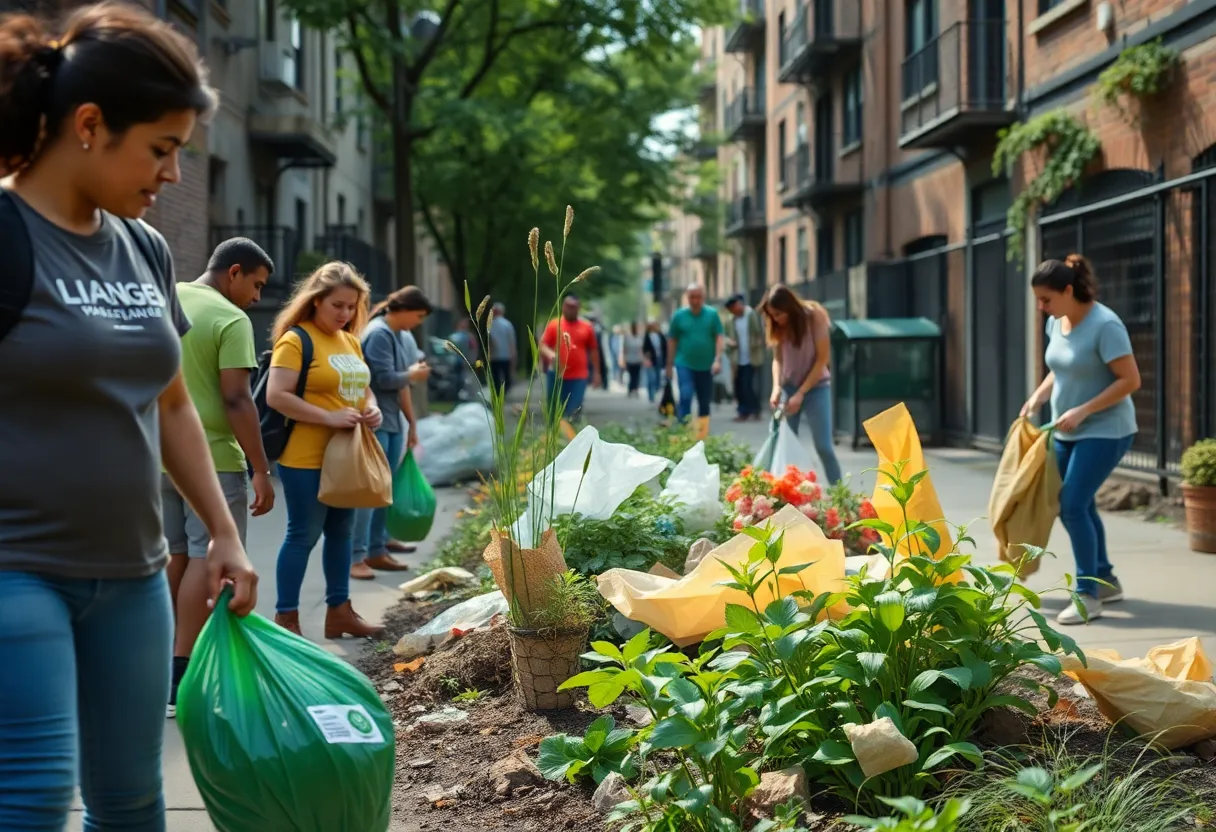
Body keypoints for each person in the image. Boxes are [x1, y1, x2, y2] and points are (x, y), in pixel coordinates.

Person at [0, 4, 257, 828]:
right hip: (15, 570)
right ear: (88, 125)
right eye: (161, 149)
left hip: (135, 576)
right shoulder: (6, 234)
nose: (174, 176)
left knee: (133, 799)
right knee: (35, 794)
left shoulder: (143, 249)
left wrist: (221, 532)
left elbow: (172, 398)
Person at [164, 237, 275, 718]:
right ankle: (185, 677)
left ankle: (159, 667)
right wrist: (261, 469)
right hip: (211, 460)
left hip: (154, 453)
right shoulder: (231, 320)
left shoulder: (166, 297)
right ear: (234, 272)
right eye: (256, 284)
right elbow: (237, 400)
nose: (256, 297)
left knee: (172, 556)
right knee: (207, 560)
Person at [265, 262, 385, 640]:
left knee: (342, 534)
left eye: (351, 307)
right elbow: (276, 396)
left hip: (347, 455)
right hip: (305, 457)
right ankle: (287, 620)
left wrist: (372, 406)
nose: (346, 314)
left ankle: (340, 613)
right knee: (303, 534)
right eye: (338, 305)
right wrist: (328, 417)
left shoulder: (349, 340)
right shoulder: (296, 339)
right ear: (315, 301)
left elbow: (362, 384)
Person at [1021, 254, 1140, 625]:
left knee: (1072, 504)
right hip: (1065, 429)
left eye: (1046, 299)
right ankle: (1105, 578)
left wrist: (1084, 410)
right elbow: (1061, 369)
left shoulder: (1106, 325)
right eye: (1038, 300)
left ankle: (1088, 595)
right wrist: (1039, 396)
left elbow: (1130, 380)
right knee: (1079, 504)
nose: (1041, 307)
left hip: (1106, 429)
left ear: (1068, 290)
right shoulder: (1058, 322)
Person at [351, 286, 432, 580]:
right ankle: (357, 555)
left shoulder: (396, 335)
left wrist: (411, 423)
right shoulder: (379, 334)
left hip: (392, 421)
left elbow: (400, 387)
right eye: (418, 315)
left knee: (383, 491)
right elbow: (383, 379)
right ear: (404, 309)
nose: (418, 322)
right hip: (377, 422)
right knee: (371, 492)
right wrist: (412, 374)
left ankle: (377, 547)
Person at [759, 284, 843, 485]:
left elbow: (822, 359)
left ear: (790, 307)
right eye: (772, 316)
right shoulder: (777, 324)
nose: (776, 319)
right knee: (781, 442)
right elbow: (778, 359)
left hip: (816, 387)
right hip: (788, 387)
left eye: (779, 314)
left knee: (824, 446)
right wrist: (776, 387)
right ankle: (782, 494)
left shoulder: (815, 316)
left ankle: (841, 494)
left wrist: (802, 393)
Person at [666, 283, 724, 422]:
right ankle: (684, 431)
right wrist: (669, 364)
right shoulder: (679, 315)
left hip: (706, 365)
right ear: (687, 297)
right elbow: (672, 340)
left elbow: (719, 337)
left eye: (698, 297)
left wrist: (717, 359)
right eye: (692, 297)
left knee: (704, 401)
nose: (695, 301)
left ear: (703, 297)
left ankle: (702, 435)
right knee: (685, 395)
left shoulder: (712, 314)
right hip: (684, 363)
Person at [540, 294, 601, 420]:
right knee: (554, 411)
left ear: (579, 308)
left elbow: (594, 350)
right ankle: (554, 437)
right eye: (568, 306)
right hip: (556, 375)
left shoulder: (587, 327)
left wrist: (597, 373)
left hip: (579, 376)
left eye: (573, 307)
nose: (570, 309)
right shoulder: (553, 325)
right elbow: (542, 345)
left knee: (573, 411)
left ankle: (572, 436)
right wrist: (551, 354)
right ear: (562, 307)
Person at [724, 293, 765, 422]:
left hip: (752, 357)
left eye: (733, 308)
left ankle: (753, 410)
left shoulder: (752, 315)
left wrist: (758, 342)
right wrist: (729, 343)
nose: (733, 311)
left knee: (748, 385)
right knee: (739, 386)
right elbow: (725, 337)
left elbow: (761, 332)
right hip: (737, 359)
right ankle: (743, 411)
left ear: (738, 305)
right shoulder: (730, 321)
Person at [488, 302, 516, 395]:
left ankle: (497, 395)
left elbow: (490, 341)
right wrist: (513, 356)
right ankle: (505, 393)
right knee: (506, 377)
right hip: (506, 356)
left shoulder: (491, 324)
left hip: (494, 356)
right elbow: (511, 341)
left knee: (495, 377)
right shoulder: (508, 324)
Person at [641, 320, 668, 402]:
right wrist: (646, 357)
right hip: (650, 359)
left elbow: (665, 347)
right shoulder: (647, 336)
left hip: (659, 359)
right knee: (651, 378)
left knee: (658, 377)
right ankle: (651, 395)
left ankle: (656, 390)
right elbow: (644, 348)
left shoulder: (660, 335)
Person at [619, 321, 645, 398]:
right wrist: (623, 359)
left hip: (638, 359)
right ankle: (630, 389)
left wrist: (643, 358)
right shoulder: (627, 337)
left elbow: (642, 349)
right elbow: (624, 349)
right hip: (630, 359)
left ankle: (636, 389)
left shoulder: (640, 337)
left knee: (637, 375)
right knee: (631, 375)